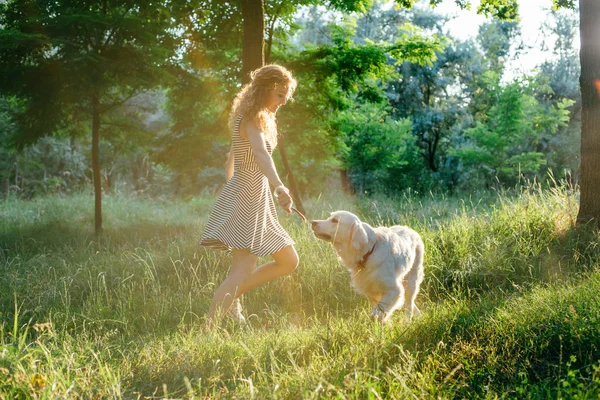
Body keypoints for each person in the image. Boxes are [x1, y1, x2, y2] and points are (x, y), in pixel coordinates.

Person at [199, 64, 299, 329]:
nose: (283, 101)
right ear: (266, 89)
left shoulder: (253, 117)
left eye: (286, 96)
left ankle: (231, 299)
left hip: (252, 194)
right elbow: (260, 154)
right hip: (250, 195)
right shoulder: (252, 118)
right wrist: (279, 186)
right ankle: (208, 330)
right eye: (280, 94)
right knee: (243, 269)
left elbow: (231, 158)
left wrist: (234, 186)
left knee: (288, 260)